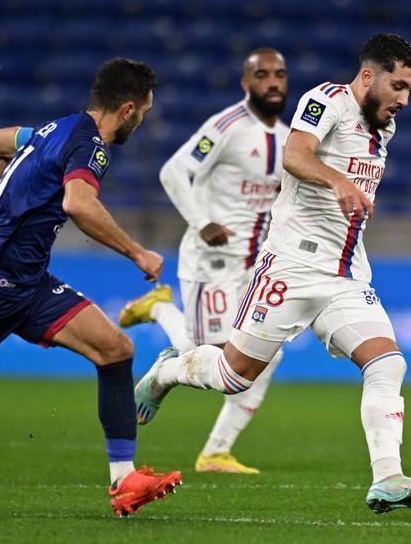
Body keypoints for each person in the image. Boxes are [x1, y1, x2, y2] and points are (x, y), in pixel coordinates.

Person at [134, 33, 411, 513]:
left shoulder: (383, 128)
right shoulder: (327, 101)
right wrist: (339, 181)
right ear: (369, 75)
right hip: (292, 266)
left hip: (345, 276)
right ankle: (167, 373)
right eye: (398, 86)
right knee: (236, 376)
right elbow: (294, 156)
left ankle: (388, 478)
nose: (405, 99)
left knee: (388, 363)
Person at [0, 58, 181, 517]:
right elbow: (78, 203)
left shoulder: (55, 129)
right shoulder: (91, 146)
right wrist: (137, 253)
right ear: (127, 109)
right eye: (143, 113)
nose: (141, 121)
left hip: (28, 285)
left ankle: (124, 479)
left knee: (116, 350)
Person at [118, 48, 289, 474]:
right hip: (211, 261)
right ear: (245, 83)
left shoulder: (288, 138)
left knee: (267, 353)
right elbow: (173, 172)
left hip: (256, 266)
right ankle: (159, 308)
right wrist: (202, 221)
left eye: (279, 75)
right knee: (207, 355)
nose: (272, 82)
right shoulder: (226, 126)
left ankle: (215, 452)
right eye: (261, 74)